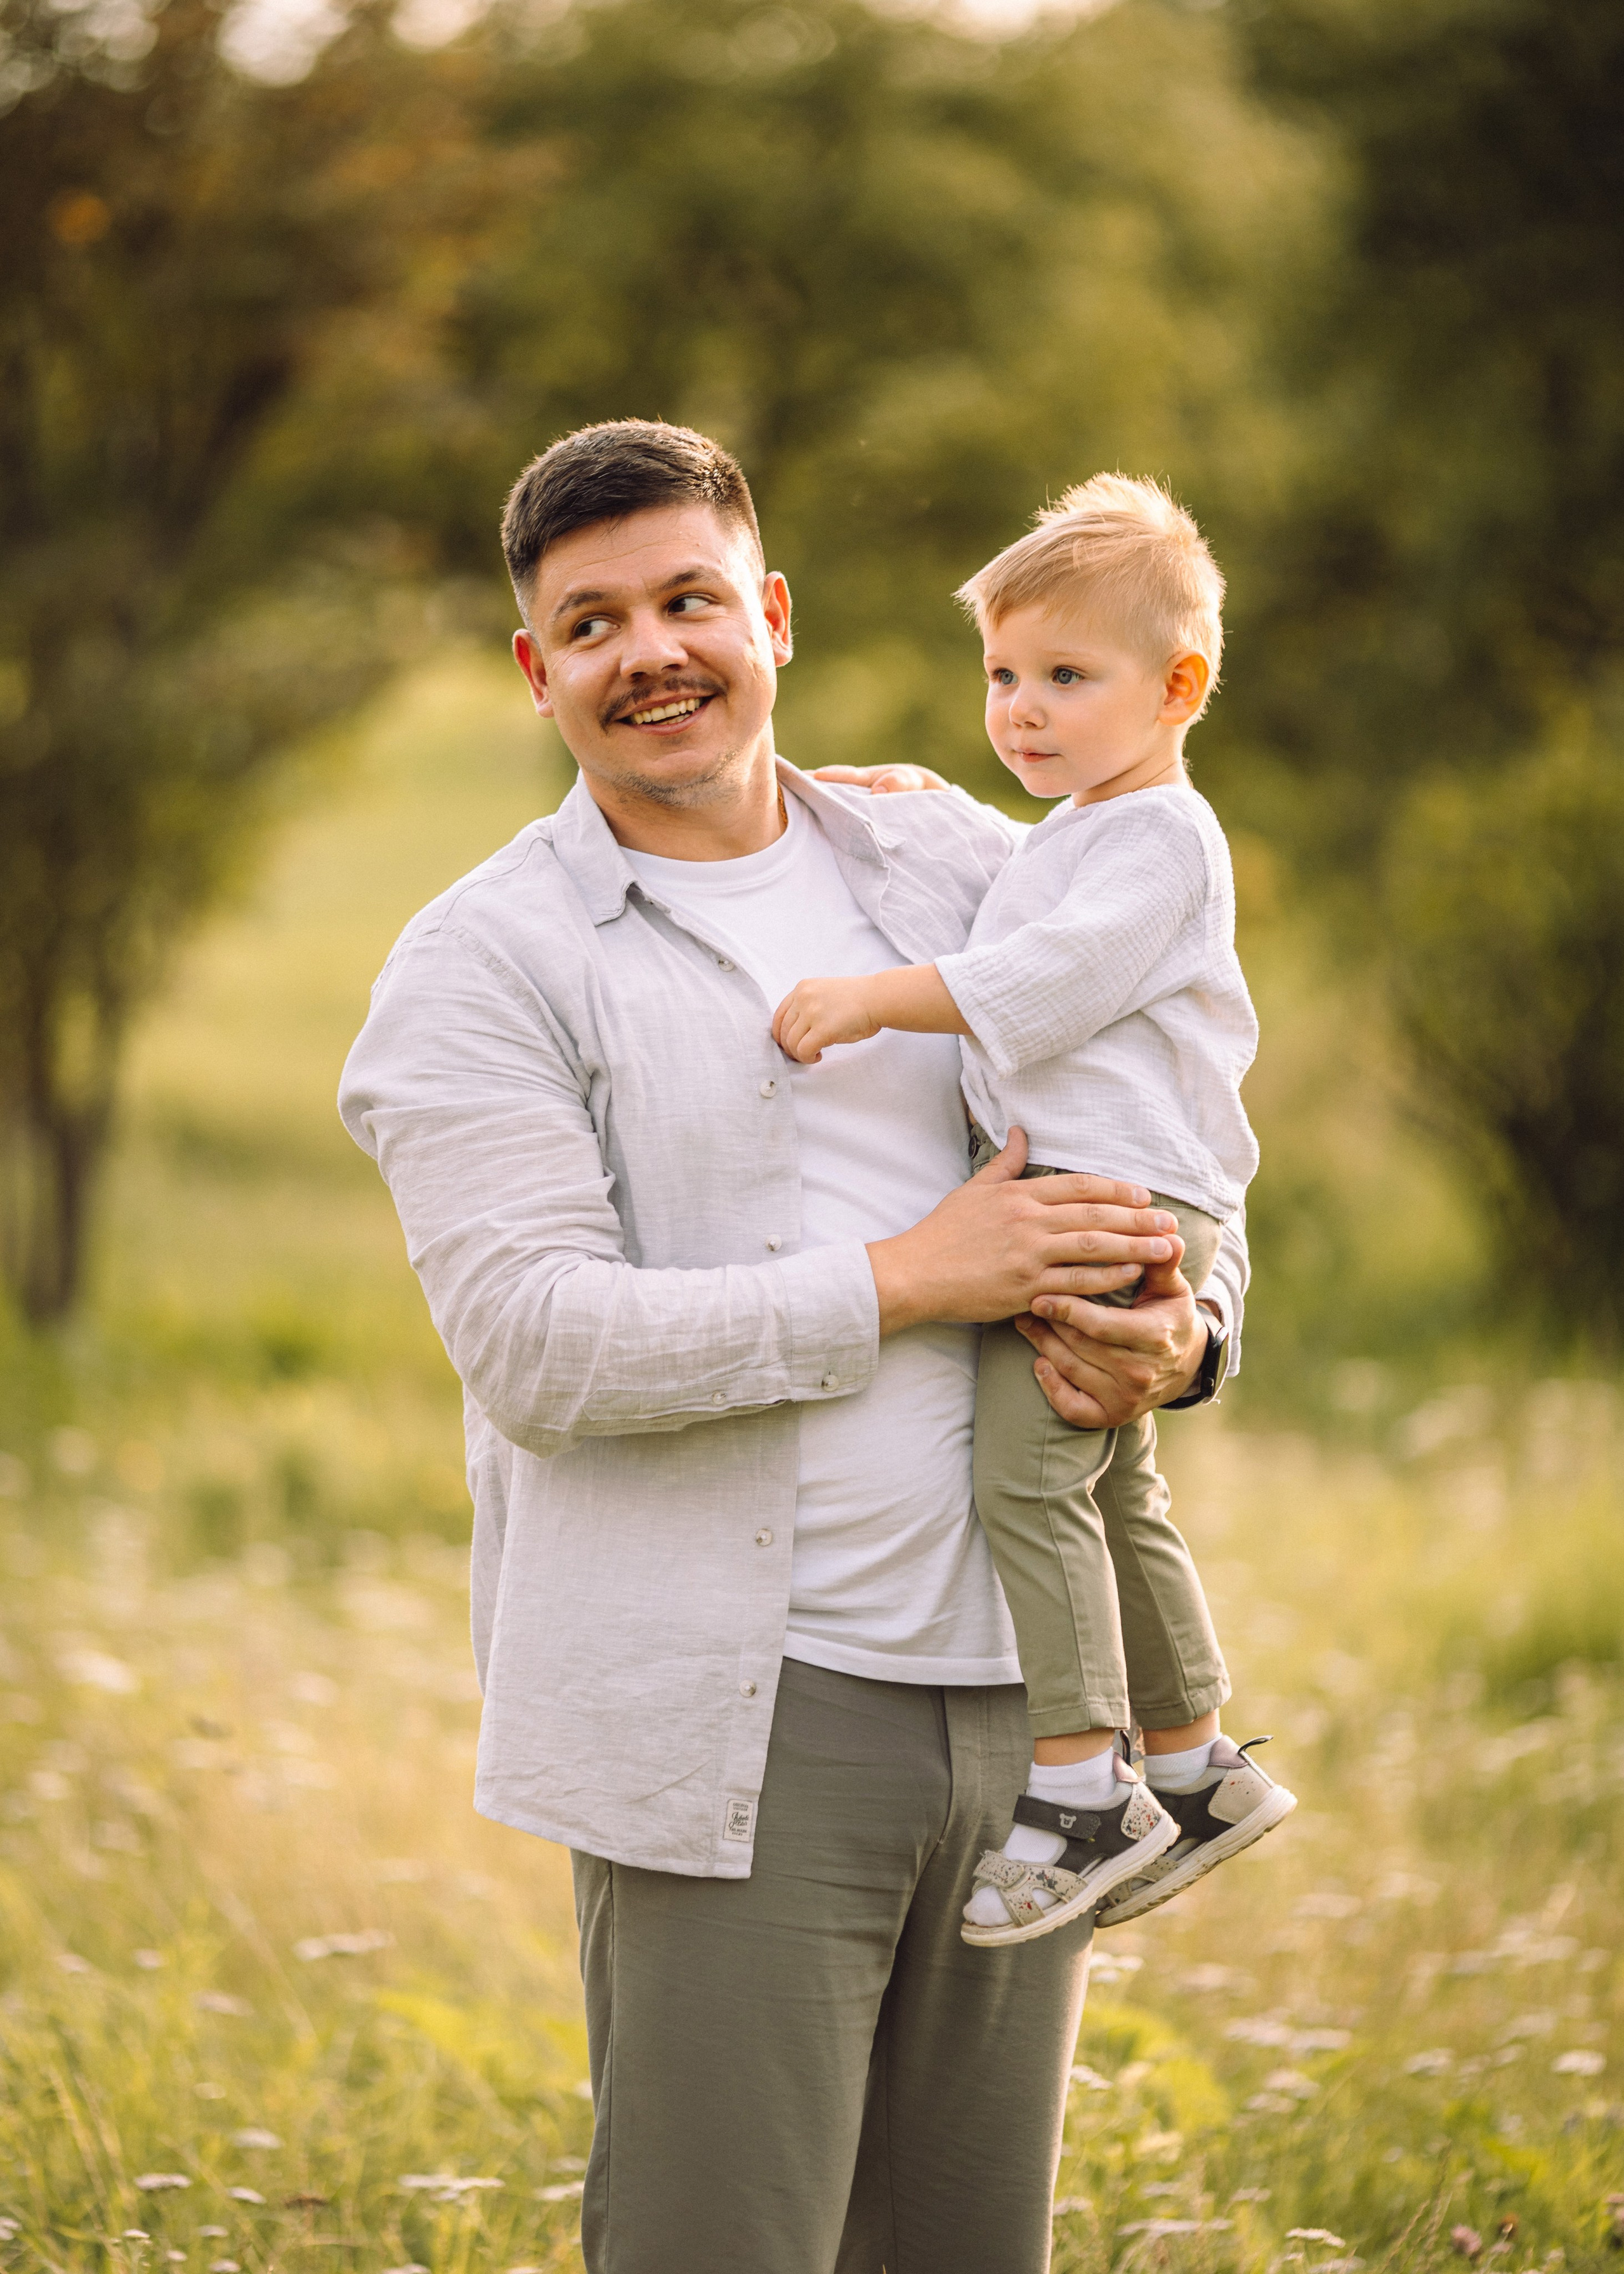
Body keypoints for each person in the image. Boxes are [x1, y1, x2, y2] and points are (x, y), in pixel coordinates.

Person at [338, 420, 1249, 2274]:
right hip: (745, 1722)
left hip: (1026, 1724)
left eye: (689, 599)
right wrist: (916, 1276)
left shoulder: (946, 855)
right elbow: (539, 1346)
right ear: (538, 672)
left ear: (769, 613)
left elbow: (1154, 1094)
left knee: (966, 2251)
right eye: (591, 624)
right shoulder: (485, 965)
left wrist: (1188, 1335)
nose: (650, 650)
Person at [772, 476, 1295, 1951]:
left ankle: (1076, 1787)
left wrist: (872, 998)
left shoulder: (1164, 842)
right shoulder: (1090, 827)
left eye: (1067, 677)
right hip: (1116, 1198)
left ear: (1177, 688)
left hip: (1102, 1207)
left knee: (1027, 1483)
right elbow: (1024, 886)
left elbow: (1041, 976)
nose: (1022, 709)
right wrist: (927, 799)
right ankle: (1194, 1765)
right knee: (1113, 1488)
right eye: (1003, 676)